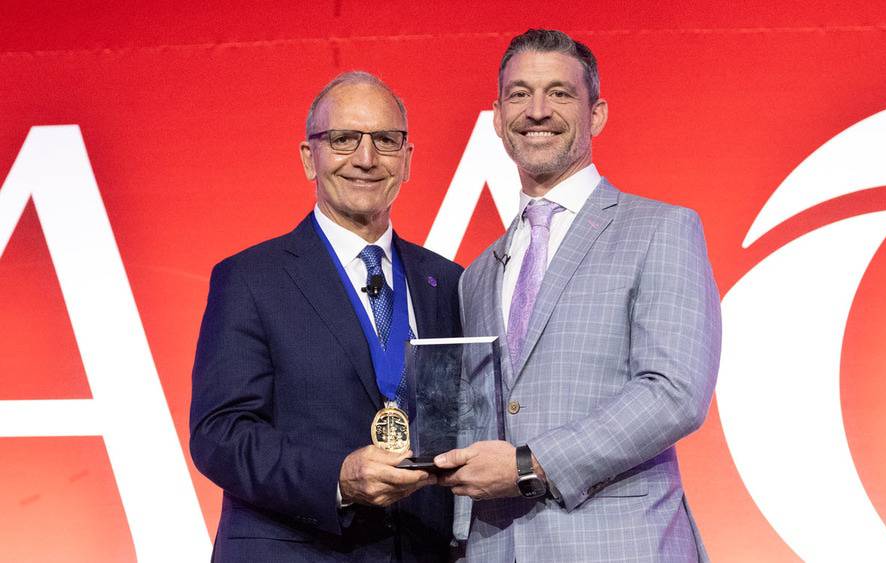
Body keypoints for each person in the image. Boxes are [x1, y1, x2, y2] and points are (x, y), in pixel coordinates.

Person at [434, 29, 722, 562]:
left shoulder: (661, 229)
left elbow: (675, 392)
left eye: (560, 93)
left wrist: (530, 464)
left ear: (597, 114)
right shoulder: (476, 273)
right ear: (498, 119)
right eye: (519, 94)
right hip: (496, 550)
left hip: (621, 545)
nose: (537, 110)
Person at [190, 71, 461, 562]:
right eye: (343, 139)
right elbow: (220, 433)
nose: (366, 158)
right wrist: (337, 477)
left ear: (407, 160)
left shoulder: (445, 280)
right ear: (308, 158)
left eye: (385, 140)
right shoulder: (251, 278)